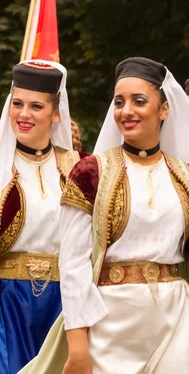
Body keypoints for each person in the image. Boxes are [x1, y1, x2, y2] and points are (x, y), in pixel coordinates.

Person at [20, 57, 189, 374]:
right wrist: (78, 345)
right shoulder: (91, 172)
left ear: (164, 109)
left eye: (139, 101)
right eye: (119, 102)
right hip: (109, 321)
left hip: (176, 316)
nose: (126, 110)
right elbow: (74, 262)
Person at [0, 60, 83, 374]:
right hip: (7, 301)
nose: (24, 114)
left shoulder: (77, 168)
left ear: (56, 113)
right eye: (18, 104)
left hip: (64, 303)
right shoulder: (1, 164)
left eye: (36, 106)